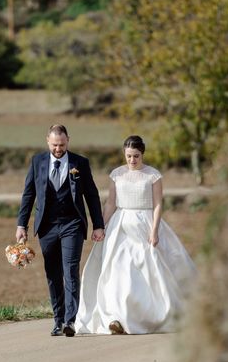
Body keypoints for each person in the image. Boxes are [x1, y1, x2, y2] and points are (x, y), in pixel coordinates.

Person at [75, 135, 196, 335]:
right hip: (120, 226)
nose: (132, 160)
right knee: (117, 271)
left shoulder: (153, 175)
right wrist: (101, 226)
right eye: (129, 156)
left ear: (142, 154)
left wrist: (154, 230)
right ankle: (117, 318)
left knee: (148, 271)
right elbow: (111, 203)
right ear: (124, 154)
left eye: (136, 156)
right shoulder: (116, 174)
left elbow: (158, 204)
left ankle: (150, 316)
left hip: (145, 223)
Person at [16, 124, 105, 337]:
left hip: (72, 223)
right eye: (55, 145)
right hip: (47, 226)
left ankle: (70, 321)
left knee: (71, 270)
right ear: (48, 141)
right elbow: (29, 195)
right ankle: (58, 320)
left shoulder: (80, 163)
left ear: (68, 141)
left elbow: (91, 195)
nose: (58, 149)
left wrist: (98, 224)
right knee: (53, 274)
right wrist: (22, 225)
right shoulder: (37, 162)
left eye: (62, 145)